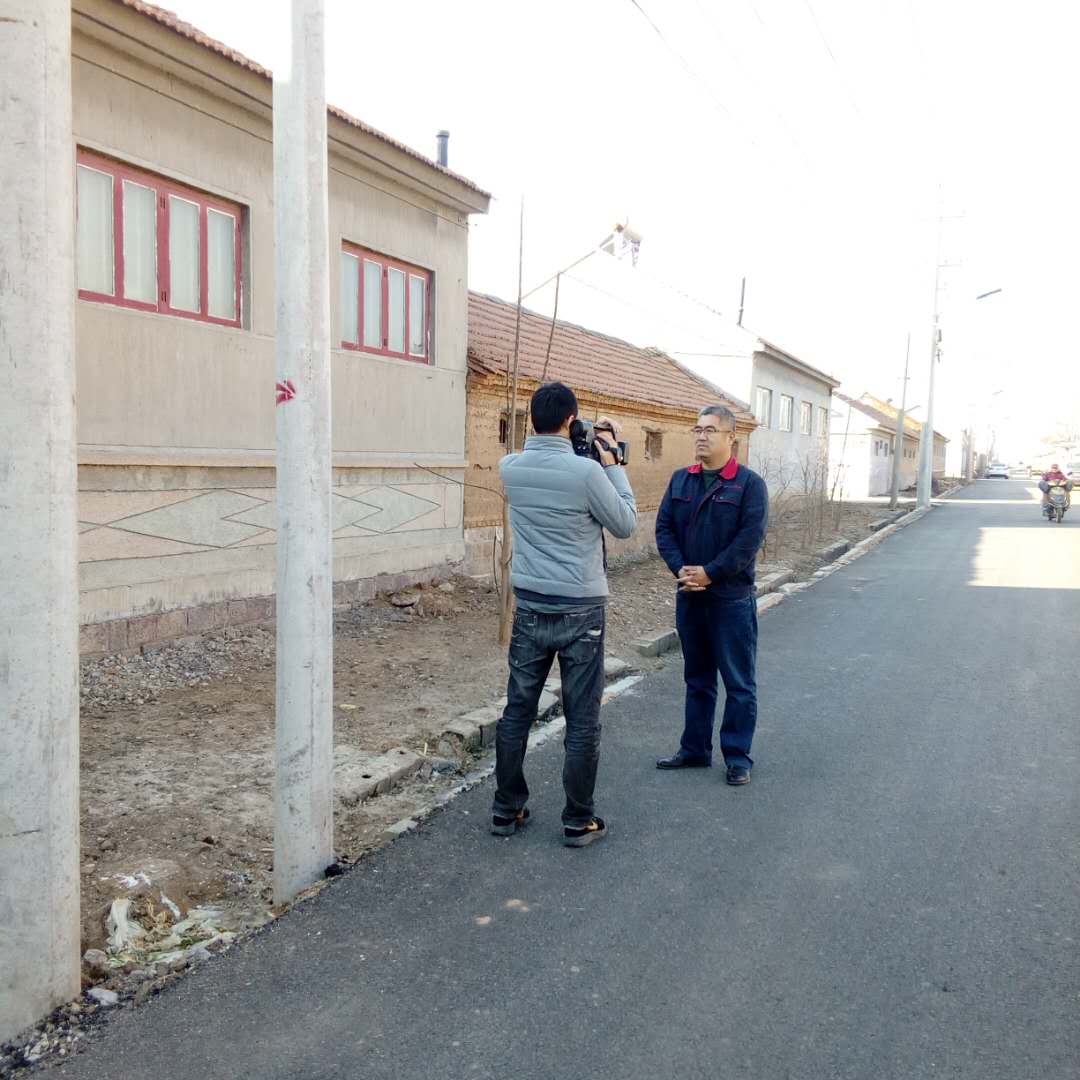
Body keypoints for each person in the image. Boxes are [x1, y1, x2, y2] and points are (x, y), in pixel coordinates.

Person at [492, 381, 637, 847]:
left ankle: (506, 809)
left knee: (517, 711)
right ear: (571, 421)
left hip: (530, 608)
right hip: (581, 612)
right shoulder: (588, 473)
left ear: (531, 419)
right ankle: (578, 820)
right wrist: (612, 462)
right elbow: (625, 523)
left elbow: (544, 457)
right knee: (581, 719)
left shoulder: (510, 467)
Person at [654, 405, 769, 785]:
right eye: (697, 429)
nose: (701, 436)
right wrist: (682, 570)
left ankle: (737, 756)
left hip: (731, 599)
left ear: (730, 438)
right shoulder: (681, 480)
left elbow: (748, 542)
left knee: (738, 682)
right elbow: (664, 530)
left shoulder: (748, 485)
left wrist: (710, 573)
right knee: (697, 678)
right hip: (690, 595)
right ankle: (694, 749)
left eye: (710, 430)